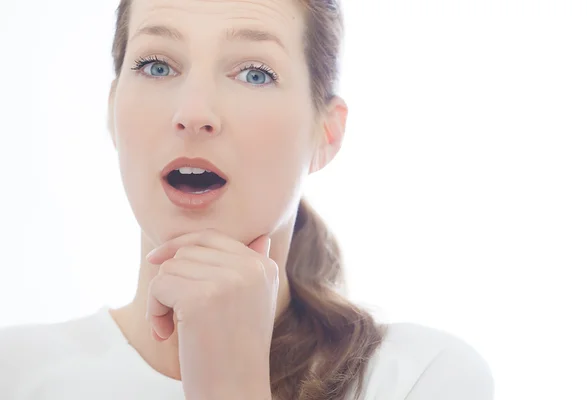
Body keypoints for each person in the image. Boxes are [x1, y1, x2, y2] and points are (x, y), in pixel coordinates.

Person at [0, 0, 495, 399]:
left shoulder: (417, 379)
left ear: (326, 133)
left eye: (254, 73)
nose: (193, 113)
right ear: (112, 112)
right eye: (156, 65)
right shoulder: (15, 375)